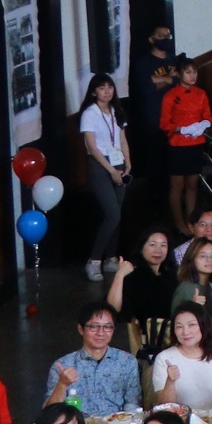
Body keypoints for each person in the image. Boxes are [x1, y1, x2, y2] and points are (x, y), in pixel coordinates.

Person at [46, 301, 143, 417]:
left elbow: (132, 403)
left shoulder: (127, 361)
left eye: (107, 327)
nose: (100, 333)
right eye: (94, 326)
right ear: (81, 329)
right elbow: (49, 413)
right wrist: (62, 384)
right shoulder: (62, 365)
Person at [78, 74, 130, 280]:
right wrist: (110, 170)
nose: (107, 91)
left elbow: (122, 138)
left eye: (110, 87)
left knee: (118, 213)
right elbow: (91, 146)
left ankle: (111, 259)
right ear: (93, 91)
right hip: (101, 165)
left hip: (118, 162)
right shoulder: (90, 114)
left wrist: (128, 161)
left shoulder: (116, 110)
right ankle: (94, 260)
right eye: (102, 88)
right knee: (112, 214)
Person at [160, 57, 212, 224]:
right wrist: (181, 129)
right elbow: (164, 123)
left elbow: (208, 115)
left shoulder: (201, 93)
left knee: (192, 183)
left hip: (196, 143)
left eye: (194, 72)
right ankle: (179, 222)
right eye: (188, 72)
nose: (192, 76)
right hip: (178, 144)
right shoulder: (170, 96)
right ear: (179, 73)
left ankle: (192, 220)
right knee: (177, 186)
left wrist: (203, 124)